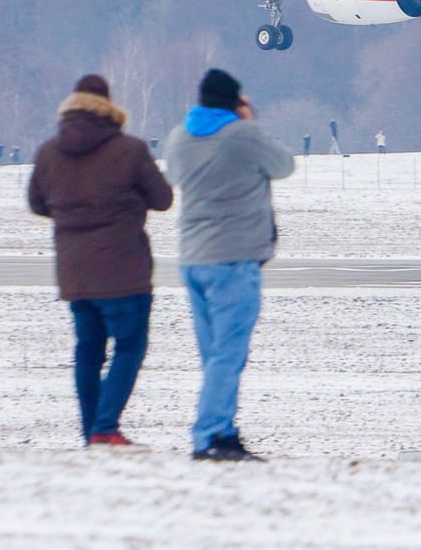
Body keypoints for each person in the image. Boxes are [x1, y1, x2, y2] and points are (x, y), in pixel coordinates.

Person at [28, 75, 174, 447]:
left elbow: (37, 203)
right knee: (130, 346)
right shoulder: (130, 150)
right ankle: (105, 426)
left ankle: (91, 428)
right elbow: (162, 199)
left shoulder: (48, 152)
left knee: (87, 352)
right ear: (109, 107)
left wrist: (72, 215)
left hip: (74, 272)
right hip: (123, 268)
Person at [165, 69, 295, 462]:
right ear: (235, 102)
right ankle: (208, 436)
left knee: (214, 354)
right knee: (229, 353)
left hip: (193, 257)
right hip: (234, 258)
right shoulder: (243, 134)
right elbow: (284, 165)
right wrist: (249, 123)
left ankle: (224, 430)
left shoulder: (179, 138)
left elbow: (172, 176)